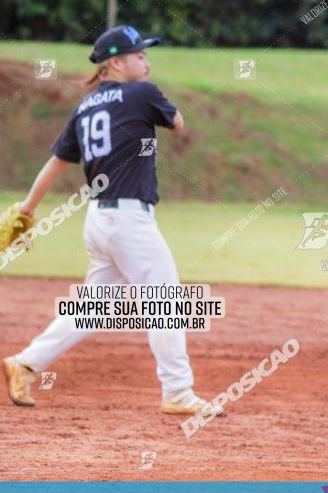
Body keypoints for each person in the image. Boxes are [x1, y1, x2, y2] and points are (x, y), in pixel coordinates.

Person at [2, 25, 222, 418]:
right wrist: (146, 101)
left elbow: (57, 161)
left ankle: (26, 362)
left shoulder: (85, 106)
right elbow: (178, 124)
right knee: (167, 302)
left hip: (99, 220)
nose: (147, 61)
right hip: (128, 220)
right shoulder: (142, 93)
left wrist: (29, 207)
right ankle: (178, 392)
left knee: (95, 307)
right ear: (116, 62)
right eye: (139, 56)